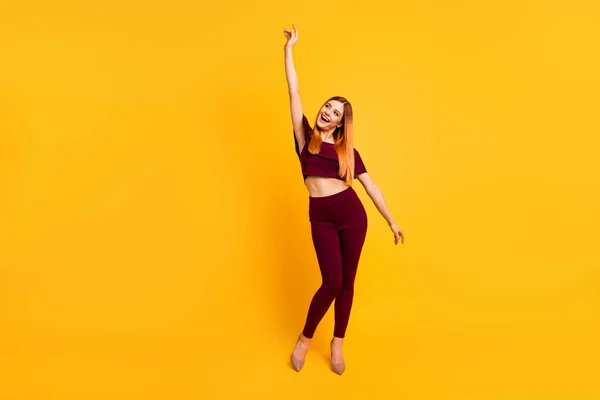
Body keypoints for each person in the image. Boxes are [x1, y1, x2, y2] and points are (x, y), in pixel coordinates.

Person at [283, 24, 405, 375]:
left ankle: (338, 341)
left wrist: (391, 220)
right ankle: (306, 338)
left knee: (348, 281)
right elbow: (294, 92)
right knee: (331, 282)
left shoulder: (347, 152)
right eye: (327, 106)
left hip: (353, 216)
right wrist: (289, 50)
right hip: (320, 215)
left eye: (336, 112)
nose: (328, 112)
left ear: (340, 124)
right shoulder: (305, 138)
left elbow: (371, 187)